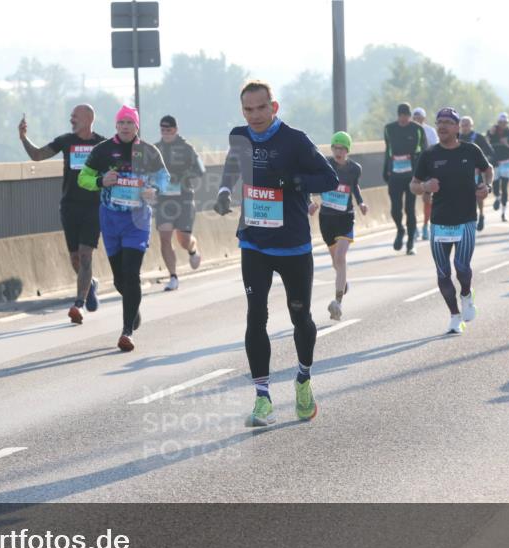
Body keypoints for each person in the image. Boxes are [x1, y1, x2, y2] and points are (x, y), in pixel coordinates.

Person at [213, 80, 338, 427]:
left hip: (293, 244)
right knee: (256, 315)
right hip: (254, 241)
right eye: (247, 109)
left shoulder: (295, 140)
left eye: (260, 108)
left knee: (300, 316)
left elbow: (328, 178)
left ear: (274, 107)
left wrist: (294, 182)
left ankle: (302, 378)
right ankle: (262, 397)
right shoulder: (240, 136)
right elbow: (232, 168)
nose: (254, 116)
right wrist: (224, 191)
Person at [78, 105, 169, 351]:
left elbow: (164, 178)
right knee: (120, 279)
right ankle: (133, 308)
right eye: (121, 123)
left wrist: (155, 191)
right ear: (116, 126)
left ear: (137, 125)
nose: (126, 127)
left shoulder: (149, 151)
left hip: (137, 221)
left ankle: (127, 331)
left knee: (131, 274)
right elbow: (82, 178)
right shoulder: (103, 150)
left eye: (130, 122)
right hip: (110, 220)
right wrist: (100, 180)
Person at [19, 105, 106, 324]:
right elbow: (38, 155)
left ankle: (79, 304)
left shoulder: (102, 144)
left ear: (88, 119)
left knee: (87, 254)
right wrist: (23, 138)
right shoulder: (66, 140)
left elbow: (122, 162)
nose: (71, 120)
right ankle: (90, 285)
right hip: (70, 206)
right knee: (76, 258)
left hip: (94, 207)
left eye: (75, 117)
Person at [410, 108, 492, 334]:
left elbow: (488, 170)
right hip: (439, 222)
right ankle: (455, 316)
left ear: (457, 127)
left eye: (447, 122)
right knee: (443, 272)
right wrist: (425, 187)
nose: (442, 126)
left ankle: (466, 293)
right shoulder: (429, 155)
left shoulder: (471, 150)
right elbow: (414, 185)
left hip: (465, 219)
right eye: (439, 122)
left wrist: (487, 186)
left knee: (462, 267)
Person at [307, 131, 367, 322]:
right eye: (335, 148)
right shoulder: (325, 165)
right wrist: (309, 202)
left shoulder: (354, 169)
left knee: (340, 258)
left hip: (345, 218)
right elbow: (308, 183)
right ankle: (343, 282)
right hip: (327, 219)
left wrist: (361, 202)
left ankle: (337, 302)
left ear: (347, 150)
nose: (338, 151)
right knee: (336, 262)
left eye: (342, 148)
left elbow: (354, 186)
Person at [154, 115, 206, 291]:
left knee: (183, 239)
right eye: (163, 131)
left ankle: (192, 248)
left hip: (183, 199)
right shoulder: (156, 149)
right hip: (163, 201)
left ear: (176, 130)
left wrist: (182, 176)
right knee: (165, 236)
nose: (166, 134)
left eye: (169, 131)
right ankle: (173, 276)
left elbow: (201, 170)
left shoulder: (186, 148)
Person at [383, 102, 428, 254]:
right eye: (401, 115)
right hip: (395, 174)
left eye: (406, 116)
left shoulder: (417, 129)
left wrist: (422, 174)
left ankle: (410, 243)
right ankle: (400, 229)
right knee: (395, 209)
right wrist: (385, 169)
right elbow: (388, 150)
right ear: (398, 115)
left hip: (412, 176)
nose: (403, 119)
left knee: (410, 209)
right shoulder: (389, 129)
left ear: (410, 116)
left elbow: (424, 153)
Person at [460, 115, 496, 230]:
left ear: (471, 126)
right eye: (462, 125)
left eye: (467, 125)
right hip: (462, 174)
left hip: (477, 173)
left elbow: (490, 152)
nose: (464, 128)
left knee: (478, 197)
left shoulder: (478, 138)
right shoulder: (457, 138)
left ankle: (481, 215)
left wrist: (483, 163)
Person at [486, 112, 509, 224]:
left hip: (506, 163)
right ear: (498, 122)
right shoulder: (492, 131)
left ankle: (504, 213)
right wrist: (489, 135)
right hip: (495, 162)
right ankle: (497, 198)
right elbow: (485, 142)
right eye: (501, 122)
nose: (503, 124)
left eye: (505, 122)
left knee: (505, 186)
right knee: (495, 185)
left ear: (507, 123)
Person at [413, 107, 438, 241]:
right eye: (415, 117)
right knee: (410, 200)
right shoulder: (408, 130)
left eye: (419, 117)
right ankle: (413, 227)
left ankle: (425, 226)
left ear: (424, 118)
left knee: (427, 199)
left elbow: (436, 149)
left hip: (428, 168)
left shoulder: (430, 131)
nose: (417, 119)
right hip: (413, 168)